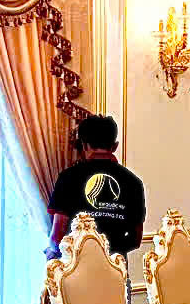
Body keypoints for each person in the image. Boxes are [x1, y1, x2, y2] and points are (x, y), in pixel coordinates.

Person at [46, 114, 146, 267]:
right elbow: (136, 239)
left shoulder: (68, 178)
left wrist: (52, 251)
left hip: (76, 272)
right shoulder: (134, 182)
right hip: (115, 272)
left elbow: (56, 238)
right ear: (114, 146)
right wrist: (111, 251)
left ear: (84, 145)